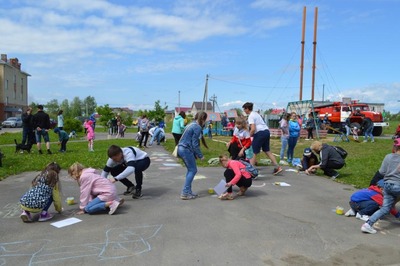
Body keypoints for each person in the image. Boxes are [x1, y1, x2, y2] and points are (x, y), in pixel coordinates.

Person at [361, 139, 400, 234]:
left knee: (385, 208)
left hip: (387, 186)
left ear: (395, 147)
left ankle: (368, 224)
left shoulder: (388, 157)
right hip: (398, 185)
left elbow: (382, 172)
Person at [242, 102, 282, 175]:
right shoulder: (256, 114)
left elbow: (253, 129)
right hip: (266, 131)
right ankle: (277, 166)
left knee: (253, 151)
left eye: (244, 109)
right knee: (267, 150)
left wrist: (249, 136)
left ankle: (251, 170)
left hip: (260, 133)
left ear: (247, 109)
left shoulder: (251, 116)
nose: (244, 111)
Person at [177, 111, 209, 200]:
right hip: (185, 149)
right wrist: (200, 155)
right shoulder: (197, 127)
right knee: (193, 170)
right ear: (203, 119)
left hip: (181, 148)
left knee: (190, 170)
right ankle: (185, 193)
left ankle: (189, 192)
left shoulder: (191, 124)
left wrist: (194, 154)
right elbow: (195, 143)